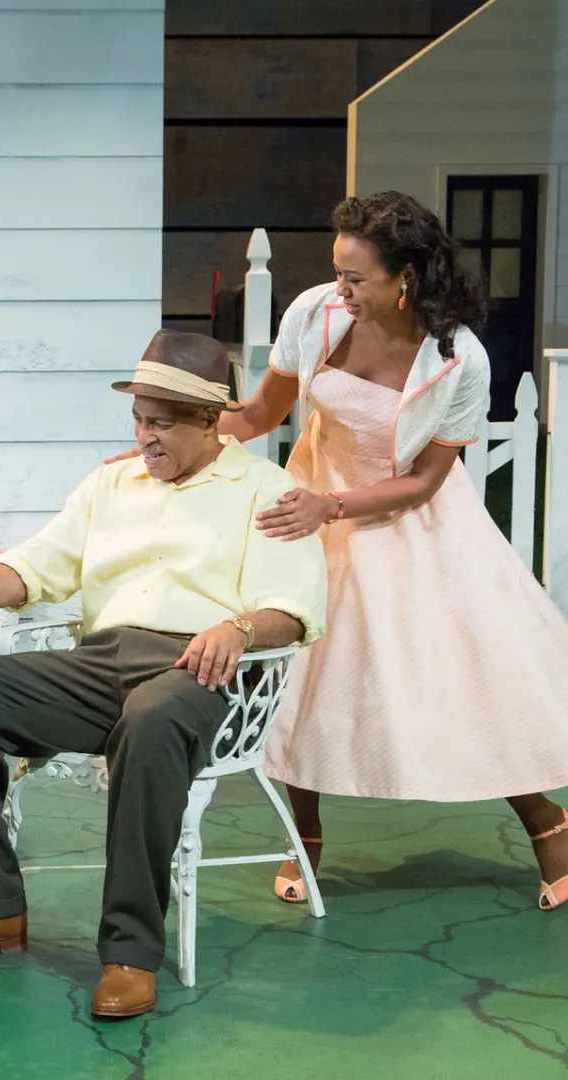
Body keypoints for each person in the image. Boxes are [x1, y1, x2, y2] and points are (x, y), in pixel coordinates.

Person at [0, 331, 328, 1019]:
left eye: (161, 423)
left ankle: (128, 953)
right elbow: (34, 565)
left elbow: (292, 611)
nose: (145, 436)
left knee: (151, 717)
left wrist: (235, 629)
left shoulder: (266, 489)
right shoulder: (111, 483)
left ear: (211, 421)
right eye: (139, 419)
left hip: (200, 669)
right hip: (100, 661)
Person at [134, 191, 568, 911]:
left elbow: (428, 479)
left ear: (409, 278)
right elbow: (263, 413)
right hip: (310, 506)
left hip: (407, 519)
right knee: (302, 677)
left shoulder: (459, 359)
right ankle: (302, 836)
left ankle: (549, 825)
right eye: (338, 273)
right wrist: (172, 439)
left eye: (356, 277)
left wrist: (333, 506)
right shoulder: (314, 314)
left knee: (466, 675)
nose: (341, 289)